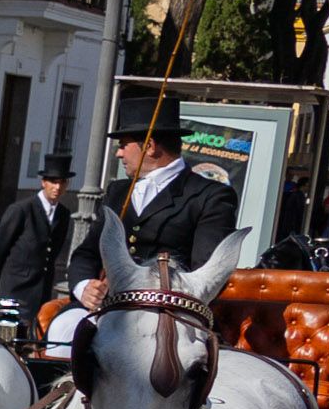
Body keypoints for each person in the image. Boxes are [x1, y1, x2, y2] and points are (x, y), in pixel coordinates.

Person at [50, 98, 239, 343]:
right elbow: (86, 254)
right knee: (63, 329)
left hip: (167, 316)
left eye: (123, 145)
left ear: (149, 145)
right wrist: (85, 287)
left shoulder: (210, 196)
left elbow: (203, 272)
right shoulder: (117, 192)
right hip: (106, 309)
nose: (118, 153)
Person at [0, 155, 71, 317]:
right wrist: (2, 282)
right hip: (14, 290)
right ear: (43, 182)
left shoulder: (63, 215)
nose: (57, 187)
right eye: (53, 181)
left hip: (41, 294)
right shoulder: (22, 210)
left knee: (33, 339)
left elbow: (52, 253)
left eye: (62, 182)